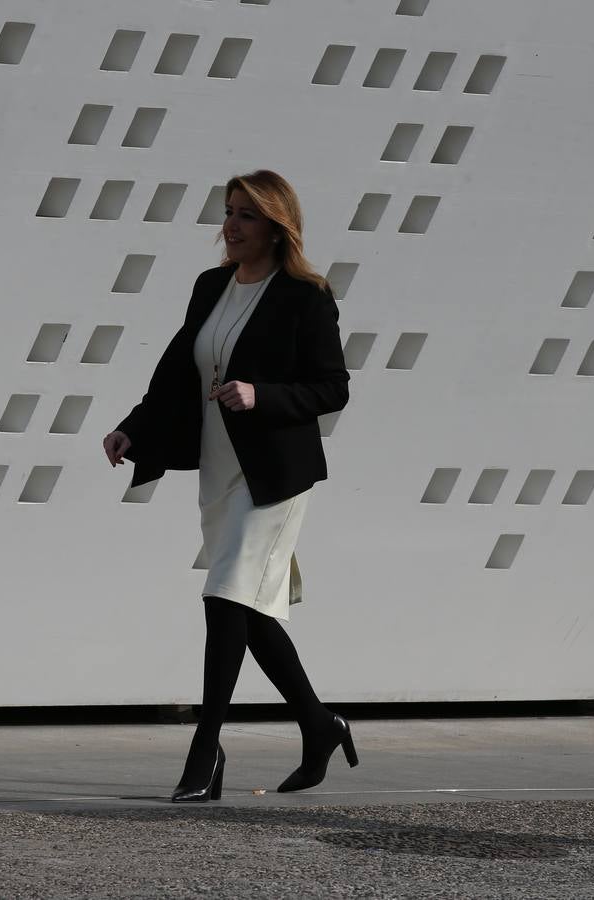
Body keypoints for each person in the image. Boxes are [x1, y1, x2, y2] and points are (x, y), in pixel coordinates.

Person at [102, 170, 357, 803]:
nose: (231, 225)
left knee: (223, 597)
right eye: (229, 212)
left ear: (277, 226)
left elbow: (333, 388)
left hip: (275, 474)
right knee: (249, 606)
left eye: (246, 215)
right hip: (220, 466)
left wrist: (260, 395)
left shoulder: (305, 294)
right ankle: (319, 724)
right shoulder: (212, 286)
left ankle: (206, 748)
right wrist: (134, 426)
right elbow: (176, 367)